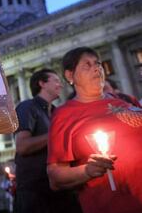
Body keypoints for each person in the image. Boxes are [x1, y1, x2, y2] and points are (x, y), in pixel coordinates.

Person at [47, 47, 142, 213]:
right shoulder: (65, 115)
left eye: (98, 63)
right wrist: (87, 170)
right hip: (115, 204)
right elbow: (55, 177)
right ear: (70, 76)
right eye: (87, 65)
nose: (97, 68)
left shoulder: (125, 102)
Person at [14, 68, 81, 213]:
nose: (61, 85)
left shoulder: (57, 112)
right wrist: (57, 133)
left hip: (62, 187)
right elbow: (22, 146)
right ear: (42, 84)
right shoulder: (28, 107)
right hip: (36, 191)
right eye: (56, 80)